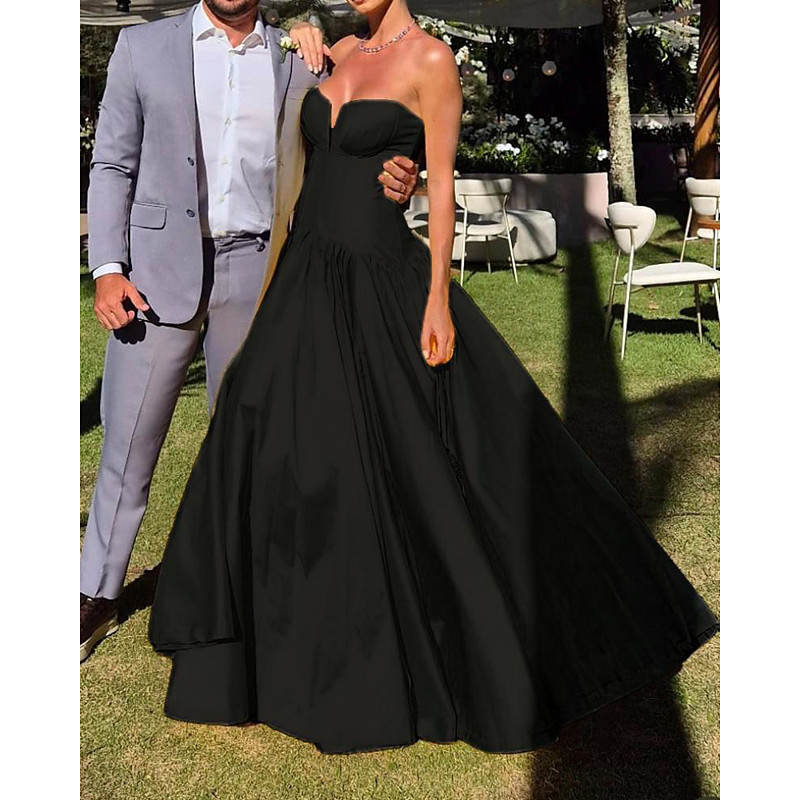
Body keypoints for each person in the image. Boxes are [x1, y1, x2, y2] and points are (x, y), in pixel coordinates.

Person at [148, 0, 719, 755]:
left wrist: (438, 298)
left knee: (405, 453)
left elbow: (442, 184)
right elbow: (292, 112)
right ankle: (266, 622)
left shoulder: (431, 60)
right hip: (305, 273)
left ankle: (389, 634)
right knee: (259, 417)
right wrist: (299, 28)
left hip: (379, 273)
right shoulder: (334, 50)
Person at [80, 0, 418, 663]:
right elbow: (113, 163)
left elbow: (346, 140)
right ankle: (96, 592)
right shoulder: (143, 48)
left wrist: (398, 173)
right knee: (128, 441)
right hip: (154, 276)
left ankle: (242, 586)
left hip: (261, 271)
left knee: (251, 443)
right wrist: (108, 268)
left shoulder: (300, 60)